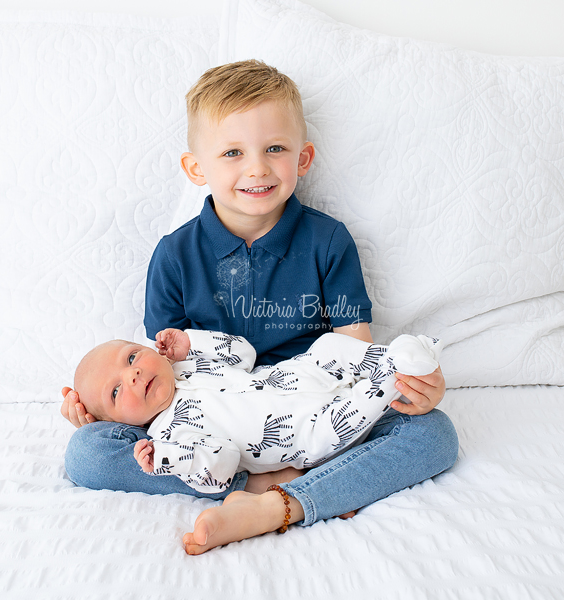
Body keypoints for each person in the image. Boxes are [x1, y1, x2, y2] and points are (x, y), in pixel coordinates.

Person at [61, 59, 459, 555]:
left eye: (275, 148)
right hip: (216, 423)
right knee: (87, 455)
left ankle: (280, 503)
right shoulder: (175, 255)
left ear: (303, 157)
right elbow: (161, 373)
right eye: (232, 152)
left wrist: (409, 384)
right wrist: (106, 414)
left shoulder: (327, 241)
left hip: (315, 403)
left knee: (434, 433)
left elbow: (356, 352)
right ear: (196, 167)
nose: (257, 167)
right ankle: (265, 485)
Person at [72, 328, 441, 494]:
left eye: (132, 357)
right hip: (303, 432)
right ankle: (397, 373)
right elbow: (222, 466)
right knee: (339, 420)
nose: (133, 374)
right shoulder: (170, 434)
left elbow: (245, 355)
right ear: (120, 423)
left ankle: (390, 355)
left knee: (328, 345)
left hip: (294, 374)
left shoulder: (188, 366)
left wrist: (192, 343)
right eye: (117, 391)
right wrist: (171, 459)